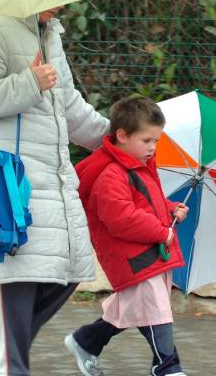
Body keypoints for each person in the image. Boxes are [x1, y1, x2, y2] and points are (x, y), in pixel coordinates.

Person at [0, 6, 110, 376]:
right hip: (12, 184)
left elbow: (71, 108)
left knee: (70, 271)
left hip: (53, 180)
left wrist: (119, 140)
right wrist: (29, 81)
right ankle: (5, 356)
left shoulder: (49, 34)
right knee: (19, 280)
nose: (60, 0)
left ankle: (2, 336)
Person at [65, 96, 190, 376]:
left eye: (156, 141)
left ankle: (86, 340)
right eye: (147, 140)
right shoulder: (112, 174)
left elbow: (147, 205)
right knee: (155, 309)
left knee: (132, 308)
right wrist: (161, 231)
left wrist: (171, 210)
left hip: (146, 255)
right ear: (122, 135)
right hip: (132, 258)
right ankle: (167, 366)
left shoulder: (139, 168)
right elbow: (121, 218)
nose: (153, 147)